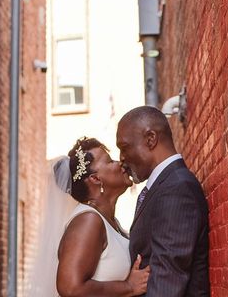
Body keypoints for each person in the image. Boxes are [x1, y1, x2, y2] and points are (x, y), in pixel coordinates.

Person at [38, 137, 149, 297]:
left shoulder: (108, 221)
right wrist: (129, 287)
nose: (120, 163)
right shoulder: (88, 221)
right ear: (95, 179)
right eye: (110, 161)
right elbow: (70, 288)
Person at [116, 106, 210, 296]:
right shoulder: (162, 186)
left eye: (124, 147)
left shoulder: (176, 188)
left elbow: (168, 278)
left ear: (150, 139)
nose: (121, 158)